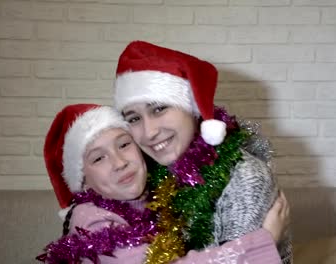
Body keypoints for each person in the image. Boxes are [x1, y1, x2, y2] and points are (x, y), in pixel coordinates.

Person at [37, 103, 290, 264]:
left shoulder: (157, 195)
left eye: (124, 145)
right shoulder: (91, 220)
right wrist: (264, 240)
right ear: (83, 182)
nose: (119, 163)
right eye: (98, 158)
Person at [114, 41, 292, 263]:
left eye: (159, 108)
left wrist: (266, 241)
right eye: (134, 118)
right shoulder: (152, 176)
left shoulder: (244, 177)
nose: (149, 132)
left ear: (192, 108)